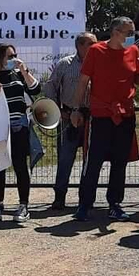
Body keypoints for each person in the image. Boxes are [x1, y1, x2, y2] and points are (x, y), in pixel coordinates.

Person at [70, 18, 139, 222]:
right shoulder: (96, 51)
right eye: (128, 32)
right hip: (101, 115)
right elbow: (83, 81)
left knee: (120, 162)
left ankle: (115, 203)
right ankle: (84, 204)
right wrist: (76, 108)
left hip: (125, 115)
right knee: (93, 161)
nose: (131, 37)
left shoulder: (134, 51)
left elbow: (137, 78)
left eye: (133, 33)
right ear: (115, 31)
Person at [0, 43, 40, 222]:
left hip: (18, 125)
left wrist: (25, 72)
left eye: (15, 56)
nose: (13, 59)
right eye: (10, 57)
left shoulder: (18, 74)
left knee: (20, 165)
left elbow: (36, 89)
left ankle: (23, 205)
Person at [45, 33, 96, 210]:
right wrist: (57, 110)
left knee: (91, 161)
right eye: (91, 43)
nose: (96, 46)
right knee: (65, 158)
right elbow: (50, 86)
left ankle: (86, 199)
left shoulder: (100, 63)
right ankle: (60, 196)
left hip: (92, 118)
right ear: (80, 46)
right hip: (69, 118)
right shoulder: (65, 64)